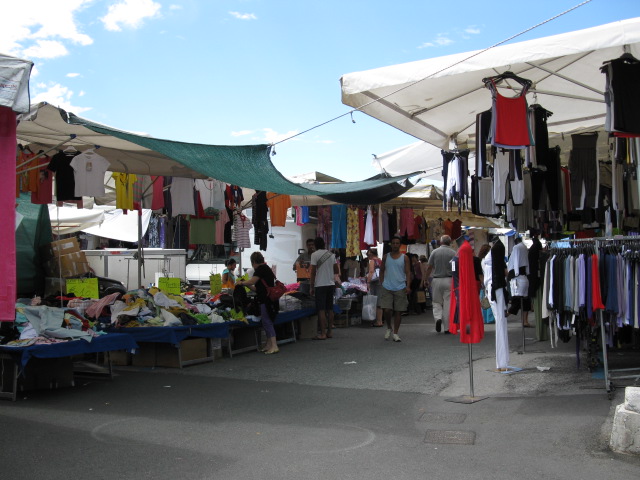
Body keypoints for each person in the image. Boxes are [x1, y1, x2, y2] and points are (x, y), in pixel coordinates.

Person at [236, 252, 280, 354]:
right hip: (267, 299)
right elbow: (257, 289)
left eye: (252, 263)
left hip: (266, 300)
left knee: (267, 322)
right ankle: (268, 345)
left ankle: (274, 345)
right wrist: (246, 284)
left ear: (254, 262)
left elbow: (252, 281)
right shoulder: (266, 268)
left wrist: (241, 282)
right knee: (266, 321)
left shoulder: (261, 269)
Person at [378, 236, 411, 342]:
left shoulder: (405, 258)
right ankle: (389, 327)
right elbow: (381, 270)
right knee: (387, 309)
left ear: (400, 245)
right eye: (393, 243)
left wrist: (408, 285)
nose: (395, 245)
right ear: (391, 245)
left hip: (400, 287)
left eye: (397, 243)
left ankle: (395, 333)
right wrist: (382, 282)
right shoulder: (386, 257)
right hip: (387, 286)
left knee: (398, 311)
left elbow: (408, 272)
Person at [424, 235, 456, 333]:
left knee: (436, 302)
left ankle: (438, 318)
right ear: (450, 242)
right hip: (449, 280)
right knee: (448, 303)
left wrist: (425, 279)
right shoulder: (453, 253)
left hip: (437, 280)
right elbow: (455, 268)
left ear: (441, 242)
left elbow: (429, 267)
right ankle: (447, 328)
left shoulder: (434, 252)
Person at [310, 237, 339, 340]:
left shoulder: (314, 255)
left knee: (321, 309)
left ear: (315, 245)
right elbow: (336, 270)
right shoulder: (331, 254)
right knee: (330, 309)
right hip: (330, 284)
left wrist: (311, 286)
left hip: (320, 285)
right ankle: (329, 332)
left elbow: (313, 272)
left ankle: (322, 333)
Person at [366, 248, 384, 327]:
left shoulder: (372, 261)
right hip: (381, 281)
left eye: (368, 255)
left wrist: (368, 281)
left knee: (374, 301)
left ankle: (377, 321)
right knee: (379, 302)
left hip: (374, 282)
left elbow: (371, 271)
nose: (368, 256)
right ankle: (380, 321)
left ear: (371, 254)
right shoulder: (380, 260)